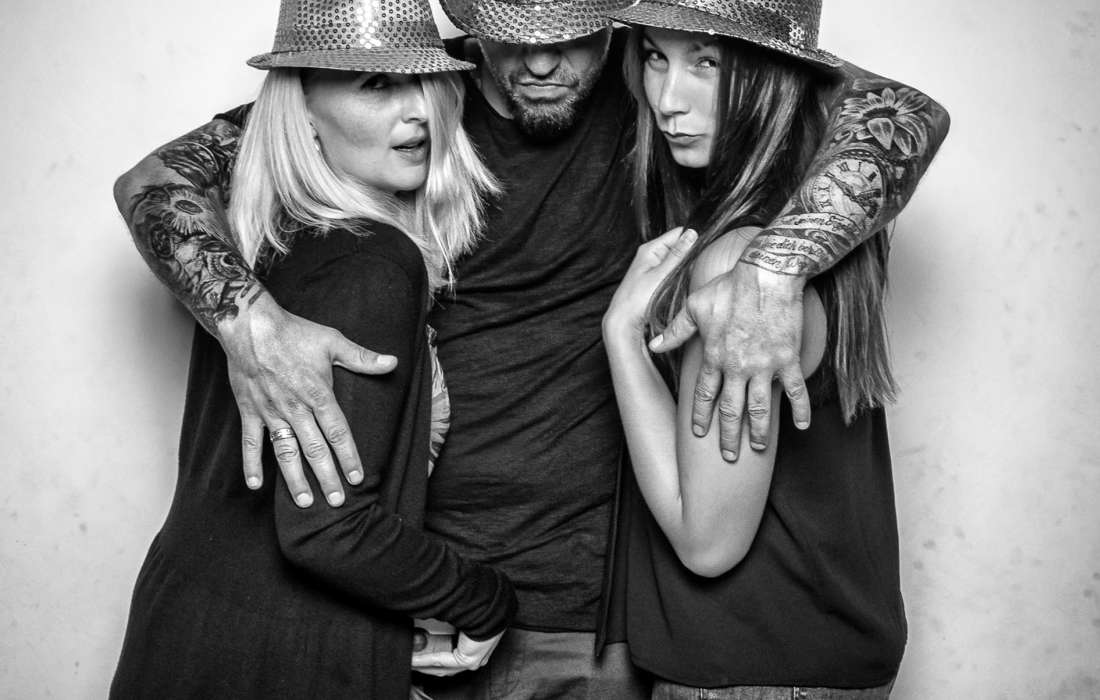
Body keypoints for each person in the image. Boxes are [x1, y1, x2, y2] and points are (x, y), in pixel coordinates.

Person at [112, 0, 949, 694]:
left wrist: (775, 268)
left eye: (572, 34)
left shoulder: (658, 81)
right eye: (514, 32)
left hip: (594, 619)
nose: (542, 61)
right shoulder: (413, 92)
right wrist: (247, 323)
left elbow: (901, 112)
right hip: (422, 599)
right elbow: (157, 180)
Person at [109, 0, 517, 696]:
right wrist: (483, 599)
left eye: (426, 82)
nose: (418, 110)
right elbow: (328, 529)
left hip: (185, 630)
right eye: (376, 85)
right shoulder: (375, 260)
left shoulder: (254, 246)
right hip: (277, 657)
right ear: (299, 109)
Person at [601, 0, 916, 696]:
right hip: (815, 657)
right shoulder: (811, 227)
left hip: (751, 673)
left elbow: (707, 542)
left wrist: (622, 338)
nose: (667, 99)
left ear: (773, 77)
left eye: (706, 63)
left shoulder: (742, 264)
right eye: (655, 56)